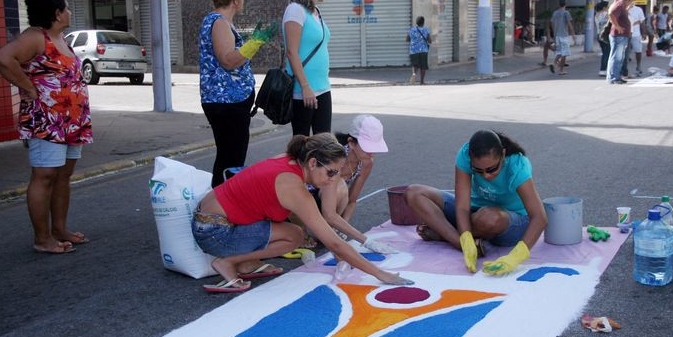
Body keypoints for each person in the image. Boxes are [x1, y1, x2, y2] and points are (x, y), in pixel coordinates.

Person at [192, 133, 412, 292]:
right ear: (313, 162)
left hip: (211, 221)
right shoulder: (293, 186)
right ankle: (227, 262)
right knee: (295, 236)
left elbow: (325, 223)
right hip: (214, 232)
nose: (333, 180)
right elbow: (333, 241)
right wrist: (379, 273)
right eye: (331, 172)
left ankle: (247, 263)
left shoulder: (291, 159)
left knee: (296, 233)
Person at [0, 0, 92, 254]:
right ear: (57, 13)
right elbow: (3, 58)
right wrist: (27, 86)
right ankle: (42, 238)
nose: (69, 12)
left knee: (63, 176)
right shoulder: (36, 37)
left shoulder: (59, 38)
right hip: (47, 121)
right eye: (66, 7)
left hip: (71, 121)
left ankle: (59, 230)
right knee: (45, 176)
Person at [403, 130, 547, 276]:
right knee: (414, 193)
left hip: (510, 222)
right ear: (471, 159)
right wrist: (465, 238)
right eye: (478, 170)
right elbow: (462, 206)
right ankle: (462, 243)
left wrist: (516, 257)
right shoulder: (465, 155)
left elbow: (540, 217)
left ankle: (445, 234)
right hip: (475, 212)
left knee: (488, 217)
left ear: (502, 155)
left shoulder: (517, 165)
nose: (486, 175)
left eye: (492, 169)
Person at [199, 0, 276, 187]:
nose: (243, 0)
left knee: (229, 156)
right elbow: (228, 60)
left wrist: (253, 43)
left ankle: (220, 207)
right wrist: (256, 42)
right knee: (230, 159)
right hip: (226, 103)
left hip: (228, 102)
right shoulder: (219, 23)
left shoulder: (220, 22)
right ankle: (220, 208)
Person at [308, 115, 394, 252]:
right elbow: (328, 210)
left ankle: (330, 228)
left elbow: (352, 200)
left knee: (342, 190)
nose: (371, 153)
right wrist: (366, 241)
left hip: (329, 203)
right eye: (367, 147)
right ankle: (317, 229)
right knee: (340, 185)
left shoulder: (366, 162)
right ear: (352, 143)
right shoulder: (337, 156)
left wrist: (344, 225)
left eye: (374, 147)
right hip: (309, 200)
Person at [283, 0, 332, 136]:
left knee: (324, 145)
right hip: (304, 90)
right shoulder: (295, 10)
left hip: (323, 88)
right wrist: (305, 86)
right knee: (302, 146)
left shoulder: (315, 11)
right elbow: (292, 51)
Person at [607, 0, 633, 85]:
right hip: (618, 35)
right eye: (630, 1)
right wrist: (617, 26)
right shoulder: (620, 5)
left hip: (622, 36)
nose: (630, 3)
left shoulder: (622, 6)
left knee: (619, 57)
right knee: (616, 57)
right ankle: (614, 77)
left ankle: (616, 76)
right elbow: (611, 14)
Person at [548, 0, 575, 75]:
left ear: (559, 4)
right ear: (565, 5)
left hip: (557, 36)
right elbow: (569, 24)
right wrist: (573, 34)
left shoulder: (555, 13)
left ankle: (554, 64)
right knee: (564, 53)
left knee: (559, 52)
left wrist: (554, 33)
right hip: (563, 36)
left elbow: (552, 24)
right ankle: (561, 70)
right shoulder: (566, 13)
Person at [406, 16, 431, 84]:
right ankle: (422, 81)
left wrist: (414, 40)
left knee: (415, 64)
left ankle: (414, 73)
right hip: (423, 50)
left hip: (413, 50)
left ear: (416, 22)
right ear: (423, 22)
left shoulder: (412, 30)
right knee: (423, 66)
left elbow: (407, 39)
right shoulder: (426, 30)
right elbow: (430, 40)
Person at [627, 0, 646, 77]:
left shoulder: (638, 10)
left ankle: (638, 66)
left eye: (630, 0)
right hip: (625, 34)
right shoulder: (623, 9)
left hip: (636, 34)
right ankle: (624, 69)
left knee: (638, 51)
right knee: (624, 53)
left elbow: (642, 22)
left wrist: (644, 33)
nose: (629, 2)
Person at [595, 1, 611, 76]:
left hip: (599, 35)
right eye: (607, 7)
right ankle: (603, 69)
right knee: (607, 53)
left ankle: (603, 69)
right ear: (604, 7)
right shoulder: (605, 14)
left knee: (605, 53)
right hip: (605, 35)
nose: (608, 8)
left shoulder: (596, 15)